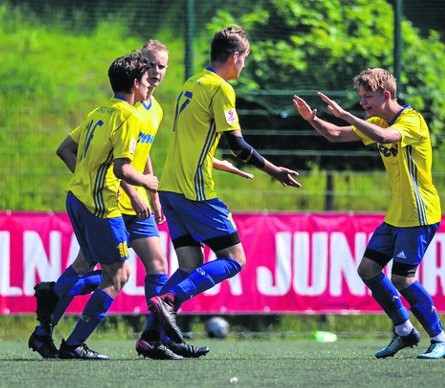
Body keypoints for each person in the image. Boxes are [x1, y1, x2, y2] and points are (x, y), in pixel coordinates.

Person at [29, 41, 253, 360]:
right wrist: (116, 185)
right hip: (110, 203)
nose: (156, 72)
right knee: (99, 270)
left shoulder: (156, 109)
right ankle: (48, 328)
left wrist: (153, 194)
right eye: (150, 64)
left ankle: (155, 337)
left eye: (162, 66)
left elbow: (141, 153)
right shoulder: (124, 109)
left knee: (158, 265)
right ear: (138, 67)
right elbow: (113, 161)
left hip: (137, 203)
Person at [146, 25, 301, 344]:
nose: (243, 66)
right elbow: (238, 145)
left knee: (190, 264)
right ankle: (170, 302)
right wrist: (274, 170)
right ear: (234, 57)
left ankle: (151, 336)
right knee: (234, 259)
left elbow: (193, 142)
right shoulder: (220, 89)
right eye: (244, 59)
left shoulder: (191, 83)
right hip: (194, 190)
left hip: (171, 188)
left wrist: (216, 163)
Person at [292, 68, 445, 359]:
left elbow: (385, 136)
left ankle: (441, 339)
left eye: (368, 98)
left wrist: (345, 114)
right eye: (361, 98)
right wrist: (313, 119)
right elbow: (336, 135)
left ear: (387, 95)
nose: (363, 104)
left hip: (420, 213)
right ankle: (404, 331)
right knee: (367, 270)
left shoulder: (412, 121)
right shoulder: (377, 120)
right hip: (397, 215)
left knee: (403, 279)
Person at [47, 52, 158, 359]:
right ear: (135, 84)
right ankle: (71, 339)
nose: (151, 85)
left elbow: (64, 149)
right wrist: (148, 183)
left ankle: (47, 321)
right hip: (100, 205)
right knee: (119, 276)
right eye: (148, 80)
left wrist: (85, 176)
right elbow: (123, 168)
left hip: (77, 198)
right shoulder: (129, 116)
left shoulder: (99, 111)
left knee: (89, 266)